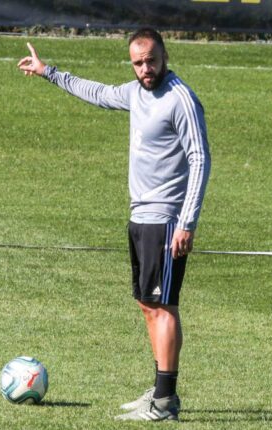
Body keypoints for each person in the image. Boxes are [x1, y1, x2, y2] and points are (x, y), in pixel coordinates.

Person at [18, 28, 211, 422]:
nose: (145, 69)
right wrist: (48, 71)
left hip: (166, 219)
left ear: (164, 56)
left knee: (163, 307)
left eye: (151, 61)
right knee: (147, 304)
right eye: (138, 63)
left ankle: (165, 401)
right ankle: (159, 389)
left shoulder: (181, 99)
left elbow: (200, 160)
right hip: (139, 216)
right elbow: (99, 93)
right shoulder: (135, 93)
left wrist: (186, 222)